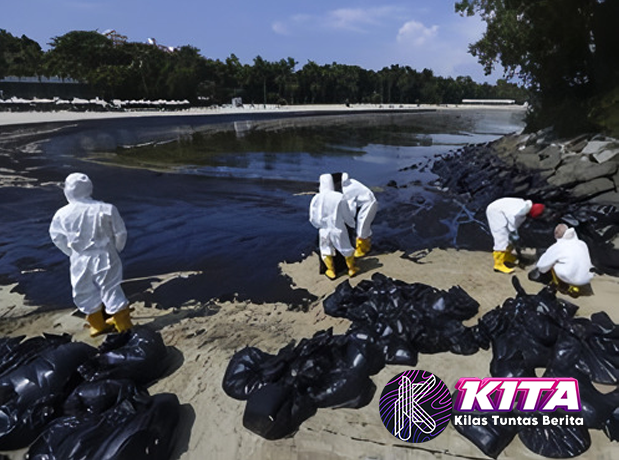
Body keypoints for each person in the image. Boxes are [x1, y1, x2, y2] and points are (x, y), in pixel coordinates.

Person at [49, 172, 133, 336]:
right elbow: (120, 233)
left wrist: (71, 253)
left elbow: (57, 237)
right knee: (111, 288)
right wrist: (117, 249)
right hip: (106, 255)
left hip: (79, 258)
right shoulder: (107, 208)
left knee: (83, 290)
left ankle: (97, 325)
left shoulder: (61, 214)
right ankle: (123, 324)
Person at [309, 174, 359, 279]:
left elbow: (312, 217)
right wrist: (351, 224)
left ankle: (331, 271)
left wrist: (318, 226)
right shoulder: (339, 197)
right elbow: (346, 214)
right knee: (346, 248)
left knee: (325, 249)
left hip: (323, 229)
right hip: (338, 228)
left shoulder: (316, 198)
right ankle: (351, 269)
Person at [486, 197, 545, 273]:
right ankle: (498, 264)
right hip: (495, 212)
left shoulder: (524, 205)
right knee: (501, 237)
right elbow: (513, 227)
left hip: (502, 209)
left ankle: (506, 256)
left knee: (508, 238)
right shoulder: (517, 214)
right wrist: (516, 236)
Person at [536, 224, 593, 297]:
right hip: (586, 278)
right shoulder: (582, 244)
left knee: (551, 264)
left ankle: (559, 286)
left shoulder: (558, 246)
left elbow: (541, 266)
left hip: (570, 279)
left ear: (556, 234)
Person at [340, 172, 378, 258]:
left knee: (362, 227)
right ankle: (366, 245)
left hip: (368, 204)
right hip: (367, 202)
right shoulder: (351, 182)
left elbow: (351, 208)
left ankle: (362, 249)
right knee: (364, 225)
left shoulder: (347, 190)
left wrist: (345, 219)